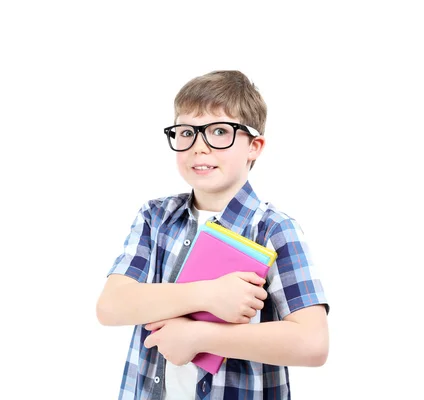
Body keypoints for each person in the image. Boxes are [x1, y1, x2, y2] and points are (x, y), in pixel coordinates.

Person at [96, 70, 329, 400]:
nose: (199, 147)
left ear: (255, 146)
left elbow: (312, 343)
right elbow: (111, 306)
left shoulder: (274, 229)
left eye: (219, 131)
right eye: (187, 132)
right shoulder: (155, 217)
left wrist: (199, 336)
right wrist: (207, 295)